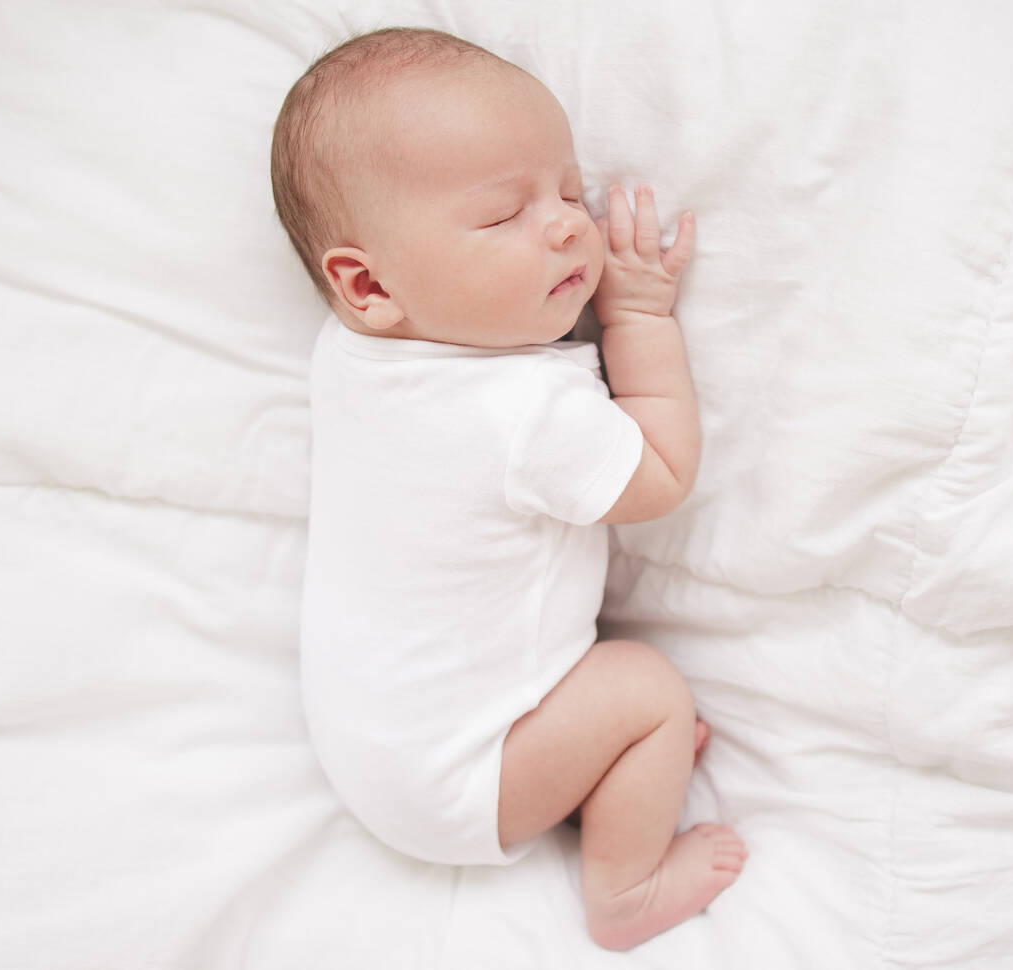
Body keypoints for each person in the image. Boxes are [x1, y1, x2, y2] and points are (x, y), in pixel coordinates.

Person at [273, 26, 745, 951]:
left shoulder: (351, 358)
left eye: (568, 189)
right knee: (648, 690)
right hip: (465, 780)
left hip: (379, 753)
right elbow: (660, 475)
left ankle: (590, 772)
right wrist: (640, 314)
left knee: (619, 700)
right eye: (503, 216)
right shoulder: (523, 411)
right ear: (367, 282)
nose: (569, 222)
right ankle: (625, 892)